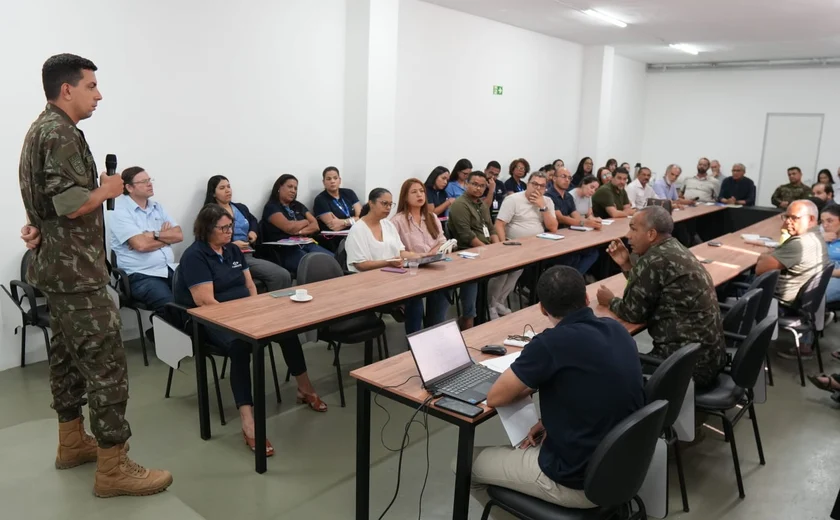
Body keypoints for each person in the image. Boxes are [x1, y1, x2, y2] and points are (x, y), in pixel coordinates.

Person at [18, 53, 171, 497]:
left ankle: (71, 443)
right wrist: (107, 189)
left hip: (56, 270)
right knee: (107, 367)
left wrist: (37, 228)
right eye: (91, 86)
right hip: (78, 275)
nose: (99, 94)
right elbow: (69, 204)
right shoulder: (61, 134)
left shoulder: (39, 130)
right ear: (67, 89)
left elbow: (48, 205)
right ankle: (113, 467)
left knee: (66, 360)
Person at [466, 266, 644, 510]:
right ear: (586, 298)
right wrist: (551, 421)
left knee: (464, 465)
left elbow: (495, 396)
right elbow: (594, 390)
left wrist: (531, 382)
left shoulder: (550, 343)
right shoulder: (616, 329)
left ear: (542, 308)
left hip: (577, 482)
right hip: (624, 467)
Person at [175, 205, 327, 456]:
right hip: (211, 320)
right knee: (240, 346)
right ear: (206, 229)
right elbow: (205, 301)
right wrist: (239, 319)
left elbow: (250, 285)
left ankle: (305, 388)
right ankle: (248, 421)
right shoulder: (195, 256)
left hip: (245, 311)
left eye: (230, 227)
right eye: (223, 228)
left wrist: (255, 310)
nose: (229, 232)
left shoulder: (233, 249)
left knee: (286, 329)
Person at [596, 206, 726, 388]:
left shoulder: (654, 259)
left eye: (633, 228)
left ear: (651, 234)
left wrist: (610, 300)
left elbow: (633, 313)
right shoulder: (674, 248)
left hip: (685, 368)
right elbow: (649, 289)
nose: (628, 235)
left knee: (606, 369)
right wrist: (626, 264)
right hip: (709, 359)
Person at [109, 167, 182, 328]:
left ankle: (193, 339)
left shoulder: (157, 207)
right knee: (169, 304)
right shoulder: (119, 211)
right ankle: (159, 337)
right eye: (144, 182)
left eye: (150, 180)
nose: (150, 184)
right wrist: (165, 238)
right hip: (140, 275)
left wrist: (152, 235)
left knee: (196, 294)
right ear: (129, 187)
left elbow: (178, 235)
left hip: (168, 268)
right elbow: (141, 245)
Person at [754, 200, 828, 359]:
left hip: (781, 303)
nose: (788, 221)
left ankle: (738, 345)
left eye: (794, 218)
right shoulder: (817, 238)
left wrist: (766, 254)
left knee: (728, 289)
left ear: (811, 220)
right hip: (799, 302)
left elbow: (760, 268)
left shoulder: (800, 244)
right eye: (786, 217)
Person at [205, 175, 292, 290]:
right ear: (213, 193)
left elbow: (253, 220)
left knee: (283, 273)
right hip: (232, 256)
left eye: (228, 186)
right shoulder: (210, 213)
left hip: (250, 252)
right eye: (222, 188)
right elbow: (207, 240)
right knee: (280, 275)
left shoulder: (240, 207)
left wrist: (253, 231)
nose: (227, 190)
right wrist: (231, 246)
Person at [490, 172, 558, 319]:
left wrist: (542, 207)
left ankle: (500, 301)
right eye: (534, 184)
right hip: (512, 245)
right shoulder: (513, 199)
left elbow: (553, 228)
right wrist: (503, 245)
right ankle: (490, 305)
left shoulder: (547, 201)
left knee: (516, 273)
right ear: (528, 184)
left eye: (541, 186)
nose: (537, 188)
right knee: (503, 274)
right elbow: (500, 224)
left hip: (537, 247)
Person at [391, 179, 451, 334]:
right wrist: (422, 255)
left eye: (422, 191)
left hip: (434, 268)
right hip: (412, 272)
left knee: (442, 294)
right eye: (414, 192)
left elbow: (442, 241)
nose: (419, 195)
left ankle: (435, 333)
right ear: (405, 197)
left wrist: (433, 253)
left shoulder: (431, 217)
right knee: (415, 303)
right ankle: (414, 340)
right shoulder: (397, 221)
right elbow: (396, 251)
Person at [448, 171, 500, 329]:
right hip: (467, 254)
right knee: (472, 282)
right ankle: (468, 319)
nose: (478, 188)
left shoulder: (482, 204)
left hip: (485, 251)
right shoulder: (459, 205)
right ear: (466, 185)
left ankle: (494, 305)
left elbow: (491, 229)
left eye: (482, 186)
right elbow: (467, 236)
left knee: (513, 266)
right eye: (475, 184)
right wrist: (488, 251)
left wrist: (498, 249)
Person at [261, 174, 333, 274]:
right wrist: (306, 221)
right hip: (286, 250)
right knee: (315, 267)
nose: (293, 191)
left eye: (295, 188)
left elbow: (315, 226)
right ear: (279, 187)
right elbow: (289, 228)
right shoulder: (272, 207)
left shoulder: (298, 205)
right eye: (290, 187)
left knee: (332, 260)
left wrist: (298, 231)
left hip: (305, 243)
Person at [544, 168, 601, 276]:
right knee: (573, 256)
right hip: (552, 235)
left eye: (569, 178)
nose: (567, 180)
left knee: (593, 252)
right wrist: (583, 223)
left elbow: (576, 215)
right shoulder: (549, 196)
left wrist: (590, 222)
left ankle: (572, 279)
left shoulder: (568, 196)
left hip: (567, 234)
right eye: (563, 176)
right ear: (554, 178)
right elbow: (560, 218)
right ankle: (570, 280)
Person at [313, 166, 362, 232]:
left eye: (335, 178)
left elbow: (362, 218)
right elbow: (334, 226)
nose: (332, 181)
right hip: (335, 238)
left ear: (340, 180)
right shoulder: (320, 199)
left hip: (355, 232)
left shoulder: (349, 193)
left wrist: (344, 222)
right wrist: (355, 219)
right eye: (328, 179)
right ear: (323, 182)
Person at [820, 206, 840, 305]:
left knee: (814, 295)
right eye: (822, 222)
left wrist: (825, 272)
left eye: (829, 221)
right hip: (820, 272)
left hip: (835, 275)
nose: (825, 225)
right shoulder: (822, 237)